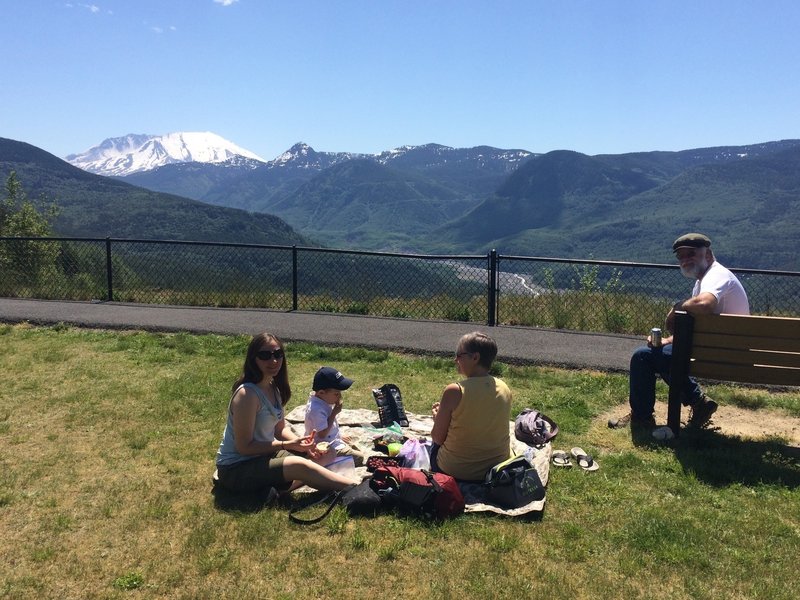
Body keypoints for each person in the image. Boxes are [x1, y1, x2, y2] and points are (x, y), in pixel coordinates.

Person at [611, 233, 750, 430]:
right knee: (658, 353)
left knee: (643, 357)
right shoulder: (705, 280)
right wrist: (670, 340)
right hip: (724, 350)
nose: (685, 260)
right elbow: (701, 328)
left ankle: (645, 416)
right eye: (681, 256)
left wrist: (677, 307)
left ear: (708, 254)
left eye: (691, 254)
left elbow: (705, 304)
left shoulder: (716, 276)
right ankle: (698, 402)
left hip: (722, 356)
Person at [215, 333, 358, 495]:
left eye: (277, 354)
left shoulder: (273, 388)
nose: (274, 360)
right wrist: (286, 445)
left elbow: (280, 430)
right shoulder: (247, 395)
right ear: (253, 359)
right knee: (299, 465)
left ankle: (276, 489)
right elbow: (244, 447)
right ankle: (358, 487)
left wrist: (304, 446)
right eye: (265, 355)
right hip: (236, 467)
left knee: (326, 453)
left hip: (264, 454)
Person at [430, 331, 513, 481]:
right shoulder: (504, 387)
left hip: (455, 470)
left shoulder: (455, 391)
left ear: (475, 357)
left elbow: (437, 438)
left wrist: (438, 418)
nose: (455, 359)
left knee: (433, 447)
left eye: (459, 355)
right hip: (497, 468)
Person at [304, 366, 367, 468]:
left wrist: (338, 436)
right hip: (323, 447)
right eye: (336, 394)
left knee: (354, 447)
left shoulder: (322, 400)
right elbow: (322, 434)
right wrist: (334, 413)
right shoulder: (316, 409)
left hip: (331, 439)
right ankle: (325, 464)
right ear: (321, 392)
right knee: (359, 458)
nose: (340, 397)